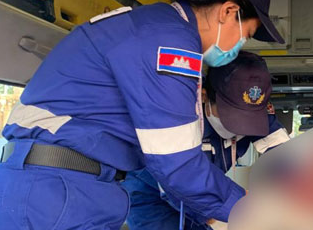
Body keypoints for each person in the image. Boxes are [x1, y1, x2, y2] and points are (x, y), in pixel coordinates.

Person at [0, 0, 284, 229]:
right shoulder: (170, 41)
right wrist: (257, 212)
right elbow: (178, 163)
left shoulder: (154, 26)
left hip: (48, 191)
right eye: (247, 34)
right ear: (228, 11)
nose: (241, 45)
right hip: (56, 196)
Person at [123, 51, 290, 230]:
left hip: (206, 192)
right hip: (152, 198)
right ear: (203, 96)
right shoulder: (177, 116)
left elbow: (287, 157)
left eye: (249, 117)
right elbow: (177, 178)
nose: (239, 127)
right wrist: (237, 209)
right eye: (233, 115)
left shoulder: (256, 111)